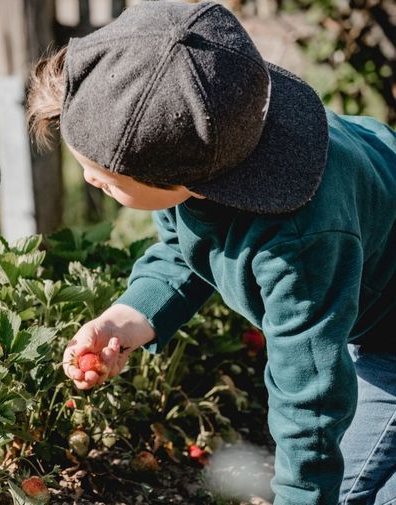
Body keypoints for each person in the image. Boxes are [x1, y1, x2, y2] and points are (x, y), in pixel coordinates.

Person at [26, 2, 396, 504]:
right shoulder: (218, 138)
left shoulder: (298, 243)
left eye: (108, 183)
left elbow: (310, 397)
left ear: (185, 181)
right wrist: (124, 321)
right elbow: (187, 251)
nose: (92, 181)